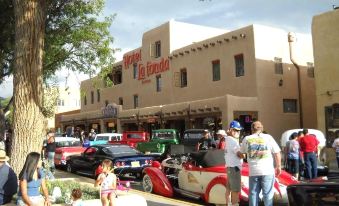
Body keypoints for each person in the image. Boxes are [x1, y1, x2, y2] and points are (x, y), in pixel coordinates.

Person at [240, 121, 281, 206]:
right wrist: (278, 166)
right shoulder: (268, 137)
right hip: (268, 171)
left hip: (254, 171)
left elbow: (242, 153)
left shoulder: (246, 139)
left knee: (253, 194)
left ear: (252, 129)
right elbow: (277, 153)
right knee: (267, 195)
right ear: (262, 128)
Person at [224, 121, 244, 206]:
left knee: (228, 189)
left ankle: (228, 204)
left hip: (229, 167)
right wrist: (246, 153)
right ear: (232, 130)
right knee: (235, 191)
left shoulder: (227, 139)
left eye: (239, 130)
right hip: (235, 168)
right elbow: (240, 155)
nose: (238, 132)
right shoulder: (233, 141)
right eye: (237, 130)